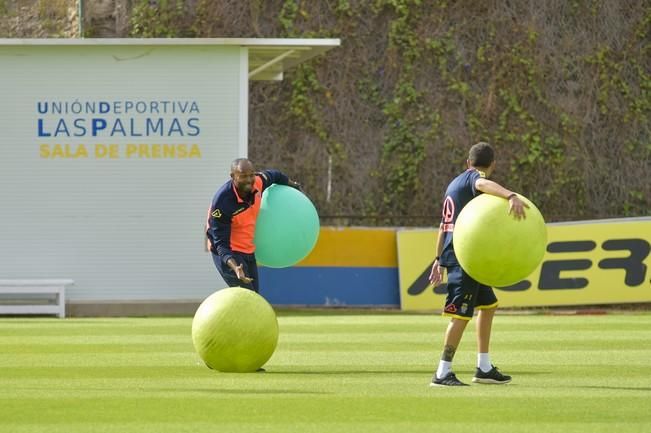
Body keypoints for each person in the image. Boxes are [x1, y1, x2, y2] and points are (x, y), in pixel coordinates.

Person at [428, 142, 527, 387]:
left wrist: (438, 259)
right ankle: (442, 372)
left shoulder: (453, 184)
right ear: (492, 165)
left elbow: (443, 226)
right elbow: (482, 183)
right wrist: (510, 195)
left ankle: (484, 367)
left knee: (489, 305)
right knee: (460, 315)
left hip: (465, 256)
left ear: (467, 162)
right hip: (465, 257)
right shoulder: (475, 179)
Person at [206, 158, 300, 293]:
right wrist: (235, 267)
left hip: (248, 250)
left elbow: (275, 176)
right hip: (229, 254)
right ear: (233, 176)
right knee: (247, 298)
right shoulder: (222, 203)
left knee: (254, 297)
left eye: (251, 175)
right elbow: (220, 244)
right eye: (243, 176)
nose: (249, 179)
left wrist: (294, 185)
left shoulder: (258, 182)